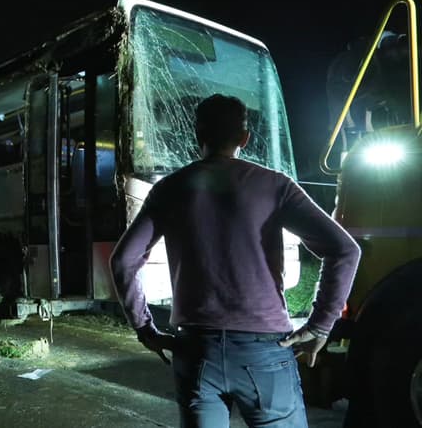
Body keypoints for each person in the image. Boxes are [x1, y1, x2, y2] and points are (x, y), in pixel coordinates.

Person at [109, 94, 360, 428]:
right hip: (264, 352)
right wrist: (320, 325)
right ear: (244, 138)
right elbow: (345, 249)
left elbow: (124, 261)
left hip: (197, 350)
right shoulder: (274, 186)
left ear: (197, 136)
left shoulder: (169, 189)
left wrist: (144, 328)